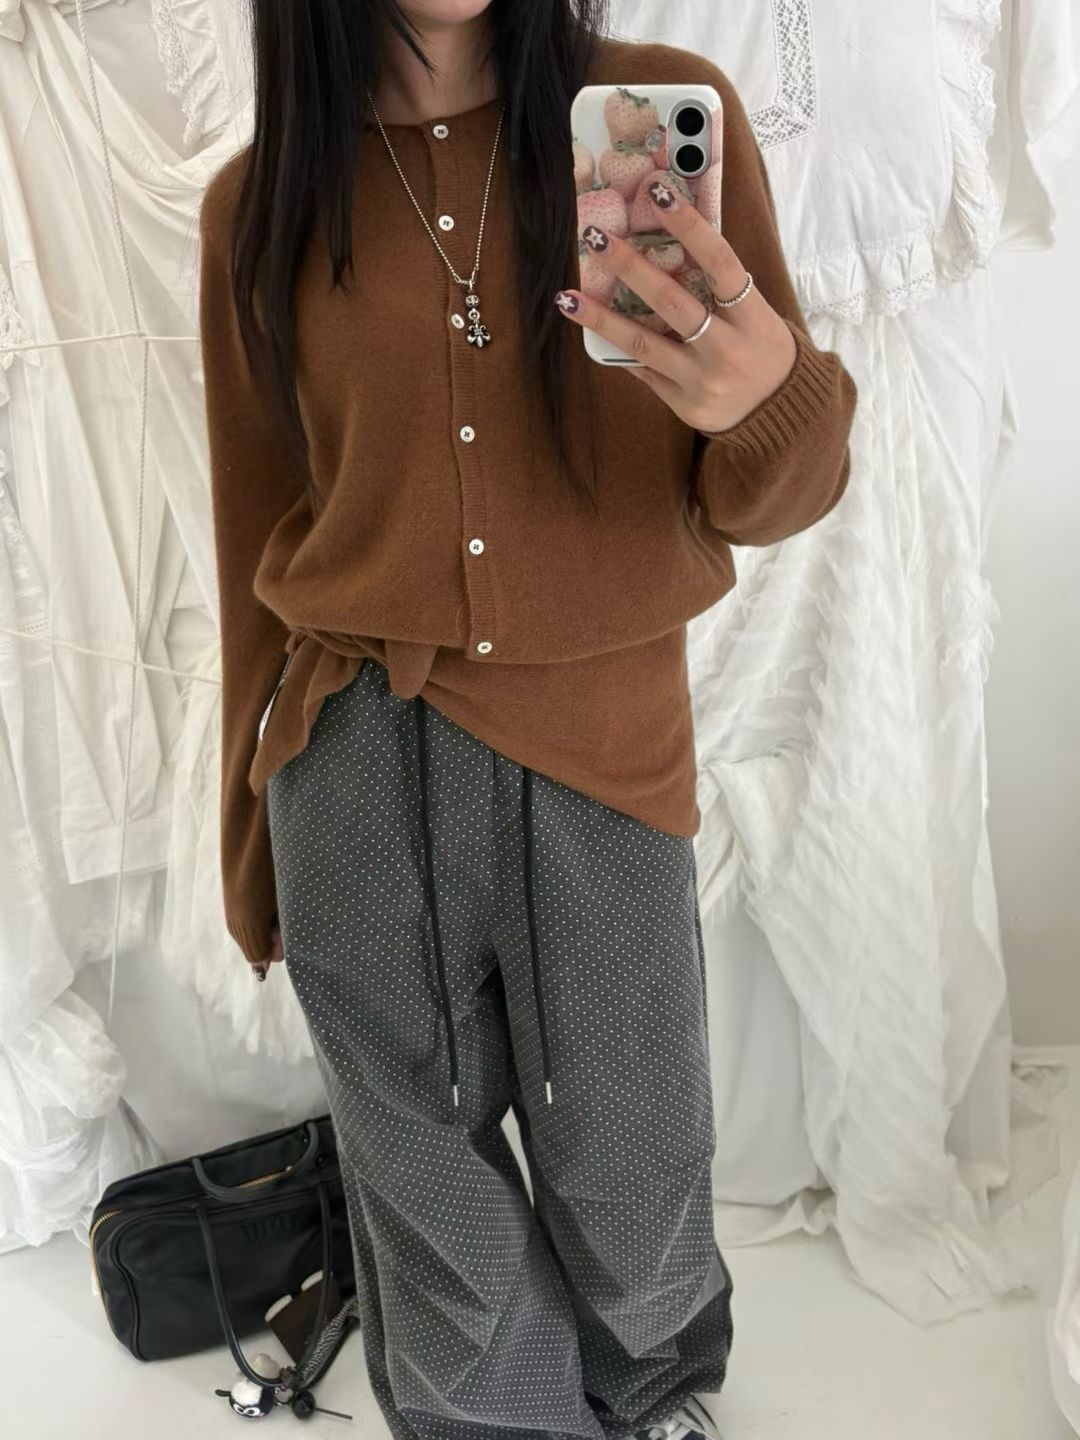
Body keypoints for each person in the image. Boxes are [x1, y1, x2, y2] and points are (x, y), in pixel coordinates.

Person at [196, 2, 857, 1437]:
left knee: (632, 1152)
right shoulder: (262, 200)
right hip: (352, 751)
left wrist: (768, 399)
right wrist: (246, 835)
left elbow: (771, 497)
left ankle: (653, 1390)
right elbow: (258, 528)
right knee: (418, 1169)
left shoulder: (656, 122)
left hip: (605, 744)